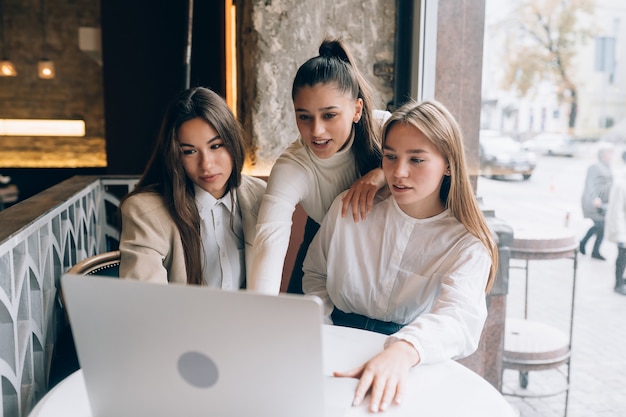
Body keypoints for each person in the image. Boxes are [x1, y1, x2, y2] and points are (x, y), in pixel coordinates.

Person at [302, 99, 498, 413]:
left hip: (411, 363)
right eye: (390, 157)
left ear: (448, 164)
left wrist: (404, 350)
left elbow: (460, 319)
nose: (399, 172)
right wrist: (324, 333)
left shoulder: (467, 242)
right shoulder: (348, 207)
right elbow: (315, 274)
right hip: (331, 347)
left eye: (416, 160)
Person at [248, 38, 390, 295]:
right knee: (297, 322)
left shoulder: (387, 129)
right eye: (304, 117)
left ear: (357, 110)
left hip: (385, 248)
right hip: (320, 242)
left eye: (329, 115)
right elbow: (269, 243)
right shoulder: (293, 166)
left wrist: (383, 173)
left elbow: (441, 157)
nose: (316, 131)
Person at [118, 86, 266, 286]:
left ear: (233, 141)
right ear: (175, 156)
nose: (206, 164)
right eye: (189, 151)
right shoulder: (145, 211)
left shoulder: (260, 196)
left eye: (215, 146)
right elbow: (146, 299)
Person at [580, 142, 614, 260]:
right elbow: (590, 184)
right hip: (594, 202)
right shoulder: (595, 167)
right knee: (600, 224)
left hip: (604, 204)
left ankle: (595, 250)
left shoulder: (607, 166)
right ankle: (583, 243)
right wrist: (595, 198)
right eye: (609, 153)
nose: (611, 155)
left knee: (602, 226)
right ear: (603, 154)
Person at [605, 149, 626, 295]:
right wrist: (621, 235)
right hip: (623, 230)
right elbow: (617, 211)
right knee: (622, 257)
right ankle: (618, 283)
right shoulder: (622, 184)